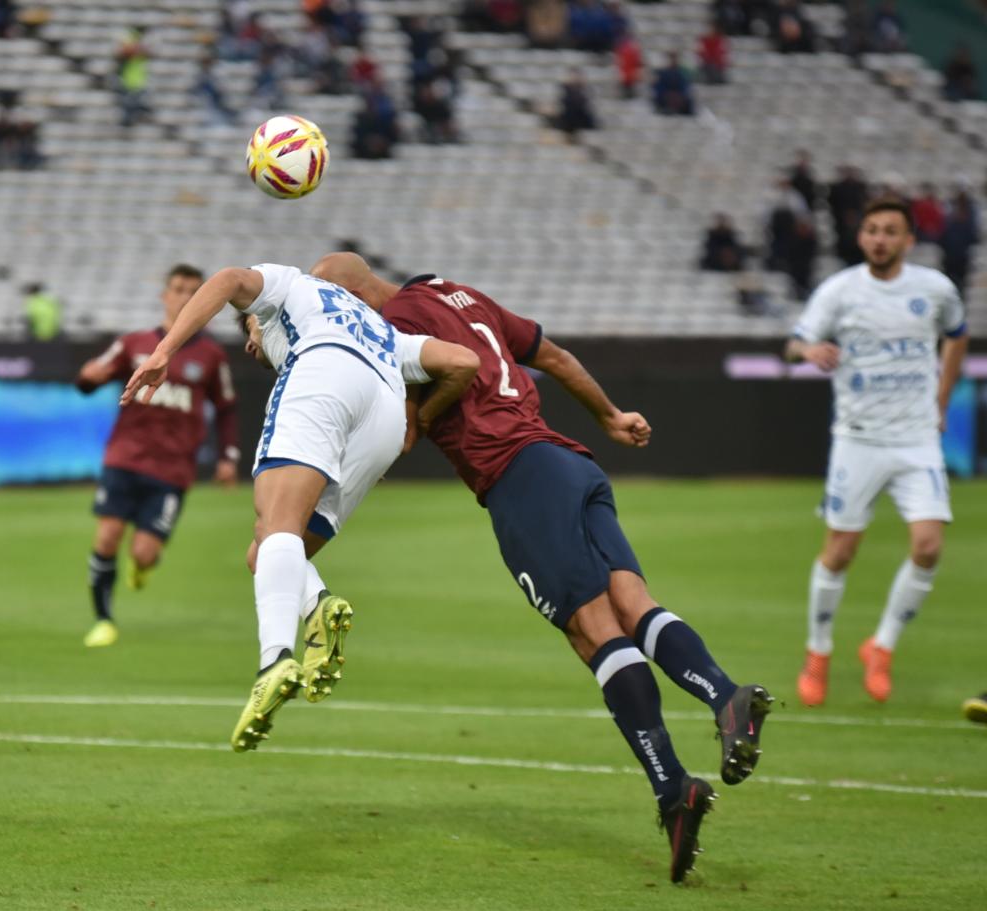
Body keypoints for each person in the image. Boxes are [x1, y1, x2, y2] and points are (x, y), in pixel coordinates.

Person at [312, 252, 771, 884]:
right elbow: (553, 357)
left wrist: (415, 419)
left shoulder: (391, 324)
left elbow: (436, 388)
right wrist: (609, 415)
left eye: (335, 303)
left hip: (517, 478)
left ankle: (672, 788)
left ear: (350, 292)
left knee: (592, 631)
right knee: (633, 605)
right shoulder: (463, 296)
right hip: (570, 461)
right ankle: (725, 697)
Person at [122, 263, 479, 752]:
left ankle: (274, 661)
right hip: (384, 415)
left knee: (277, 524)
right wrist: (418, 422)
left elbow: (228, 280)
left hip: (324, 375)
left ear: (261, 315)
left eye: (251, 330)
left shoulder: (290, 286)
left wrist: (165, 349)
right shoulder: (382, 330)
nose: (252, 346)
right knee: (267, 550)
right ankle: (318, 603)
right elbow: (462, 362)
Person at [787, 197, 969, 707]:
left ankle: (881, 646)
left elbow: (957, 335)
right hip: (858, 439)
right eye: (871, 230)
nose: (879, 239)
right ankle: (817, 652)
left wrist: (942, 396)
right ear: (862, 237)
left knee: (929, 547)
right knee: (840, 551)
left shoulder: (934, 289)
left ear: (909, 240)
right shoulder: (840, 291)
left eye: (890, 231)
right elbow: (792, 344)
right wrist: (808, 350)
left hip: (917, 439)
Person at [73, 264, 240, 648]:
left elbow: (227, 408)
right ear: (164, 294)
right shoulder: (133, 343)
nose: (184, 297)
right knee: (107, 536)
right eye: (178, 289)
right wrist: (88, 378)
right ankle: (103, 619)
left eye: (193, 291)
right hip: (125, 457)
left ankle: (142, 566)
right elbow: (92, 377)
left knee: (145, 552)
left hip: (172, 469)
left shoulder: (212, 356)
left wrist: (228, 457)